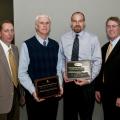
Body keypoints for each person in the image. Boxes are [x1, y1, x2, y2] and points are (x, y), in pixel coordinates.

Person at [57, 11, 102, 120]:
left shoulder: (93, 39)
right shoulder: (64, 38)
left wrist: (89, 80)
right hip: (69, 85)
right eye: (74, 21)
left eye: (80, 21)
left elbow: (97, 61)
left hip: (87, 86)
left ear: (84, 23)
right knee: (69, 116)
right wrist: (64, 73)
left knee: (86, 117)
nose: (77, 23)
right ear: (71, 23)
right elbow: (61, 59)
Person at [18, 14, 63, 120]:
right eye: (41, 23)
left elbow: (58, 69)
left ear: (50, 26)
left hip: (52, 97)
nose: (44, 25)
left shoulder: (56, 45)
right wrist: (34, 92)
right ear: (36, 26)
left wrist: (59, 86)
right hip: (34, 98)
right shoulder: (27, 45)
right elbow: (22, 73)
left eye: (47, 23)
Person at [95, 17, 120, 120]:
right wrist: (98, 89)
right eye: (108, 26)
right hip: (105, 94)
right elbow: (101, 70)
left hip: (117, 96)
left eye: (114, 26)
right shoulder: (104, 48)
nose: (111, 29)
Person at [0, 20, 23, 120]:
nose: (10, 34)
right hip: (2, 102)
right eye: (6, 31)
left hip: (16, 99)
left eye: (12, 30)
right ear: (0, 33)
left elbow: (17, 75)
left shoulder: (15, 49)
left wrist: (21, 94)